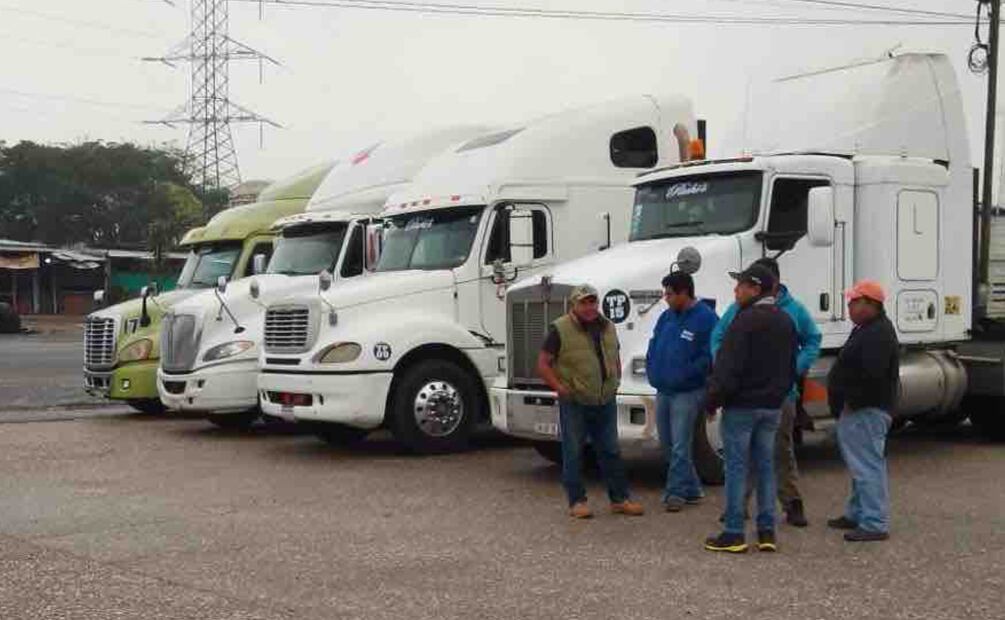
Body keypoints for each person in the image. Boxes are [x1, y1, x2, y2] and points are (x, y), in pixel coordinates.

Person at [711, 257, 821, 527]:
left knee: (780, 451)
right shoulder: (737, 310)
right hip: (745, 394)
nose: (737, 289)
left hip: (781, 395)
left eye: (744, 283)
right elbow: (718, 336)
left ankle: (791, 503)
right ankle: (740, 508)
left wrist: (794, 369)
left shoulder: (794, 310)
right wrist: (723, 361)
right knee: (744, 455)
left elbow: (813, 339)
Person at [704, 264, 796, 553]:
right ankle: (766, 531)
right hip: (772, 407)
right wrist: (777, 396)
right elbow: (791, 367)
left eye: (741, 285)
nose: (736, 290)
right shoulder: (785, 320)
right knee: (766, 466)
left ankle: (734, 532)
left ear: (755, 289)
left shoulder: (743, 321)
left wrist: (712, 400)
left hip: (742, 406)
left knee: (737, 469)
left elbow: (728, 368)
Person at [537, 284, 645, 519]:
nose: (589, 307)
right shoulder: (559, 329)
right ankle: (577, 502)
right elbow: (543, 364)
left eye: (592, 302)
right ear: (573, 305)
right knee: (573, 452)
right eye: (583, 302)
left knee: (611, 450)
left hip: (605, 399)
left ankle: (620, 499)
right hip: (575, 401)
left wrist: (616, 379)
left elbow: (615, 355)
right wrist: (560, 388)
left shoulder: (608, 326)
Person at [826, 280, 899, 542]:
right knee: (861, 465)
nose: (849, 307)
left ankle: (874, 522)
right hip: (862, 408)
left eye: (854, 302)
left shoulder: (876, 334)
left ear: (871, 304)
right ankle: (857, 513)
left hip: (866, 410)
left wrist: (852, 401)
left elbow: (872, 375)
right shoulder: (868, 329)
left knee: (867, 466)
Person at [645, 271, 718, 512]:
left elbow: (711, 354)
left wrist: (690, 373)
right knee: (667, 443)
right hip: (663, 389)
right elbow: (654, 343)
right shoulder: (666, 317)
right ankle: (693, 488)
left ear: (684, 293)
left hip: (688, 392)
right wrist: (652, 368)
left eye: (669, 294)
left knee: (680, 445)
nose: (666, 298)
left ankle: (675, 492)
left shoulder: (706, 318)